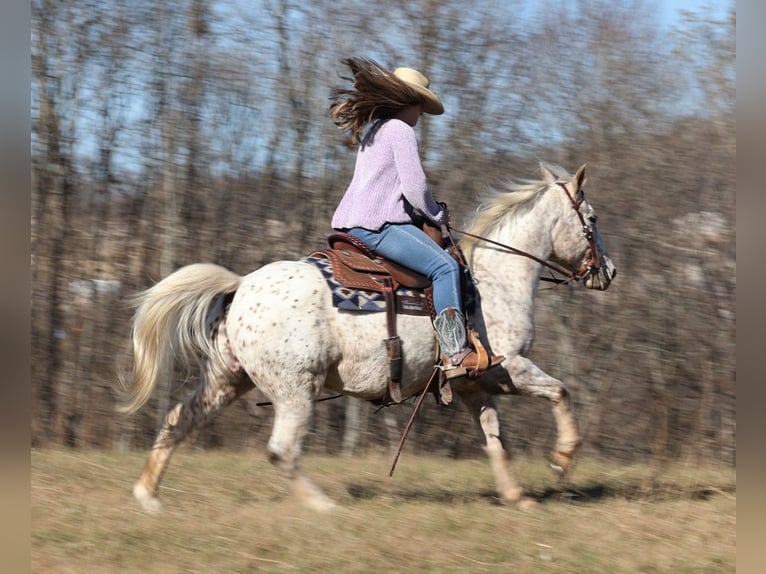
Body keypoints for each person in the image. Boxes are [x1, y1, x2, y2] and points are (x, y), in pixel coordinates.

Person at [329, 57, 504, 379]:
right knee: (445, 266)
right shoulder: (400, 130)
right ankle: (456, 353)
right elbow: (414, 187)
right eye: (421, 105)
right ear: (409, 102)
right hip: (378, 225)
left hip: (350, 221)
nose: (422, 114)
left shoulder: (375, 130)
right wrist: (436, 212)